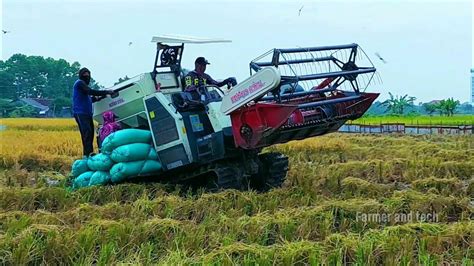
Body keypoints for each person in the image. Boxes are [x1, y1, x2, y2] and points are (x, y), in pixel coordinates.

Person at [73, 67, 114, 157]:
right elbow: (90, 92)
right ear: (81, 76)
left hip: (87, 113)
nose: (87, 77)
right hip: (80, 113)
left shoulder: (84, 88)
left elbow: (90, 99)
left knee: (90, 132)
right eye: (85, 75)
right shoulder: (80, 83)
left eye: (88, 75)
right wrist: (106, 92)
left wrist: (99, 98)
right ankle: (88, 154)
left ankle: (89, 153)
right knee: (87, 133)